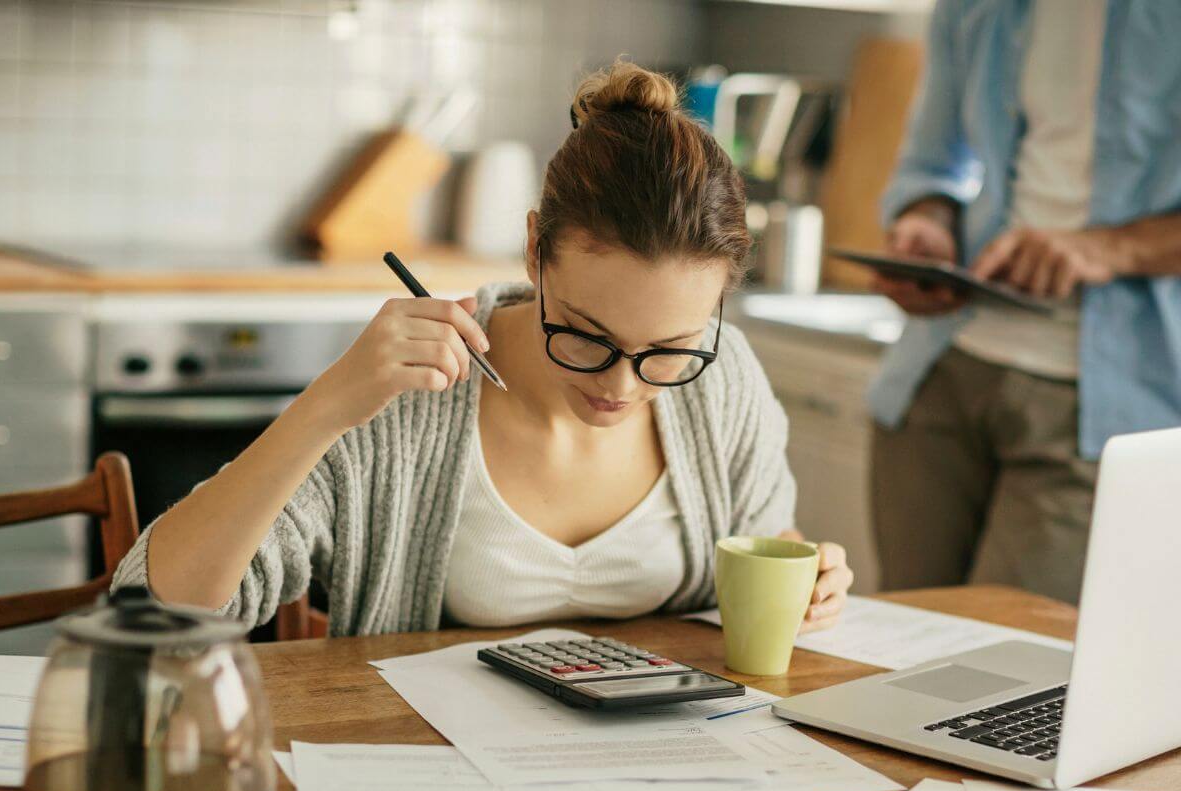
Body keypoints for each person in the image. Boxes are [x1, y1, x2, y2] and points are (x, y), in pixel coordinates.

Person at [113, 62, 854, 635]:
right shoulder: (409, 399)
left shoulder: (723, 385)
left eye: (669, 349)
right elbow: (155, 611)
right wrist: (326, 407)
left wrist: (810, 574)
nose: (624, 388)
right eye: (589, 337)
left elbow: (764, 535)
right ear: (535, 249)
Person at [870, 0, 1181, 603]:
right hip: (939, 373)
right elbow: (931, 165)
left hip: (1101, 410)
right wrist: (925, 223)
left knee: (1012, 667)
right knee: (898, 649)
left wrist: (1105, 249)